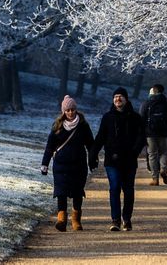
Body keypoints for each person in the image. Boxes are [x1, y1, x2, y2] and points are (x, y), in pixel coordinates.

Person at [90, 87, 146, 231]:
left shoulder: (135, 118)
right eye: (115, 97)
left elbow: (141, 138)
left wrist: (134, 152)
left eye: (121, 96)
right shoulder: (108, 117)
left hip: (129, 160)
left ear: (126, 99)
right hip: (112, 160)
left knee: (128, 190)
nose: (118, 99)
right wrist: (93, 154)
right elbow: (100, 137)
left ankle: (126, 218)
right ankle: (115, 220)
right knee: (114, 188)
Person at [40, 95, 95, 232]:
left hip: (78, 165)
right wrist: (45, 164)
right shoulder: (57, 126)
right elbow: (49, 146)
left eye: (72, 109)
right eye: (67, 110)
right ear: (63, 111)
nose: (70, 112)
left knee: (77, 193)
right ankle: (62, 220)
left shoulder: (83, 126)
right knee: (61, 193)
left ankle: (76, 220)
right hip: (60, 166)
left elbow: (90, 145)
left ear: (76, 110)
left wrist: (92, 159)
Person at [139, 83, 167, 186]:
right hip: (163, 132)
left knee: (152, 154)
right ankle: (163, 169)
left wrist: (142, 131)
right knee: (163, 152)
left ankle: (155, 178)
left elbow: (141, 118)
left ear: (153, 91)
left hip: (150, 133)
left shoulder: (146, 103)